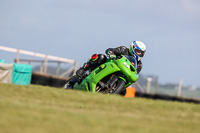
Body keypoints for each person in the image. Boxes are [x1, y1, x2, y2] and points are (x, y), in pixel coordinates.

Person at [66, 40, 146, 88]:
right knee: (100, 57)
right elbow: (110, 50)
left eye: (141, 53)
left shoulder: (139, 65)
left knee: (124, 92)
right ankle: (83, 69)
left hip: (122, 75)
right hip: (111, 65)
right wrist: (111, 53)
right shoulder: (124, 49)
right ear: (132, 48)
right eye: (137, 51)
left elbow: (134, 74)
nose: (139, 54)